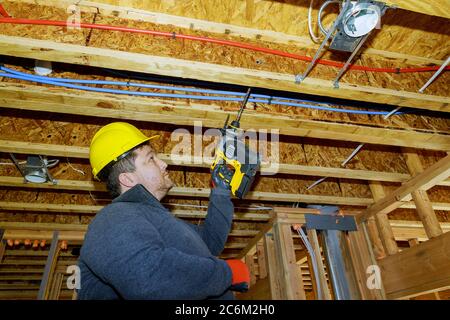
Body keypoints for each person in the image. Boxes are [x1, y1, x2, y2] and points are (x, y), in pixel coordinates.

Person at [77, 122, 250, 299]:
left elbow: (209, 244)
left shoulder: (158, 220)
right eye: (151, 158)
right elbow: (148, 278)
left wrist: (220, 192)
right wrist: (227, 273)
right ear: (128, 178)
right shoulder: (111, 219)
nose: (163, 164)